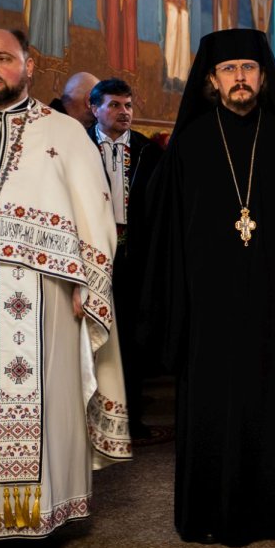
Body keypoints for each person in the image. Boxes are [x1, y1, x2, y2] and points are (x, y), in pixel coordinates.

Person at [141, 29, 275, 546]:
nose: (239, 79)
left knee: (274, 408)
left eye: (248, 69)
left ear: (264, 77)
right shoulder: (188, 146)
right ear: (211, 80)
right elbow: (162, 238)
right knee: (212, 410)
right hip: (209, 312)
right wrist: (175, 309)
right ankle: (209, 513)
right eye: (228, 70)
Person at [0, 28, 128, 548]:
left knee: (39, 402)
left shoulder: (66, 134)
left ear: (30, 63)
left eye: (3, 58)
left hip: (43, 297)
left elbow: (95, 216)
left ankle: (34, 523)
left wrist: (87, 286)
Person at [89, 78, 162, 439]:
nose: (124, 112)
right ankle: (89, 422)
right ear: (95, 109)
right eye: (115, 105)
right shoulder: (80, 147)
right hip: (92, 256)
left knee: (132, 341)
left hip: (135, 255)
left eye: (128, 106)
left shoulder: (148, 151)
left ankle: (131, 421)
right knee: (93, 337)